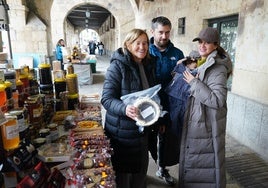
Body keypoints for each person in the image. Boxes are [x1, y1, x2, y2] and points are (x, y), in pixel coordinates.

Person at [101, 28, 158, 188]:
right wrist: (124, 108)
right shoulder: (117, 66)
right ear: (128, 44)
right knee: (123, 176)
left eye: (145, 43)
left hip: (143, 130)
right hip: (122, 132)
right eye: (137, 43)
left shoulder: (148, 65)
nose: (142, 47)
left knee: (140, 171)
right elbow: (106, 98)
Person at [179, 27, 232, 187]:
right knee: (198, 164)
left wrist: (194, 83)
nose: (202, 46)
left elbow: (217, 100)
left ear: (215, 45)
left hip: (207, 125)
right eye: (200, 42)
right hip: (199, 122)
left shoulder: (218, 69)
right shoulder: (203, 61)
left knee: (205, 166)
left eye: (207, 43)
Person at [149, 16, 184, 186]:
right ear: (152, 31)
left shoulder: (177, 54)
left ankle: (162, 168)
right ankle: (142, 169)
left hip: (169, 104)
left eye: (167, 32)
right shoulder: (144, 51)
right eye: (161, 32)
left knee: (164, 138)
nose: (164, 36)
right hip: (148, 103)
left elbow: (181, 79)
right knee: (147, 137)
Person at [165, 50, 200, 137]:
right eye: (192, 61)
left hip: (180, 100)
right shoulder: (184, 70)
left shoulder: (185, 70)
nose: (194, 63)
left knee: (178, 130)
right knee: (175, 130)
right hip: (176, 100)